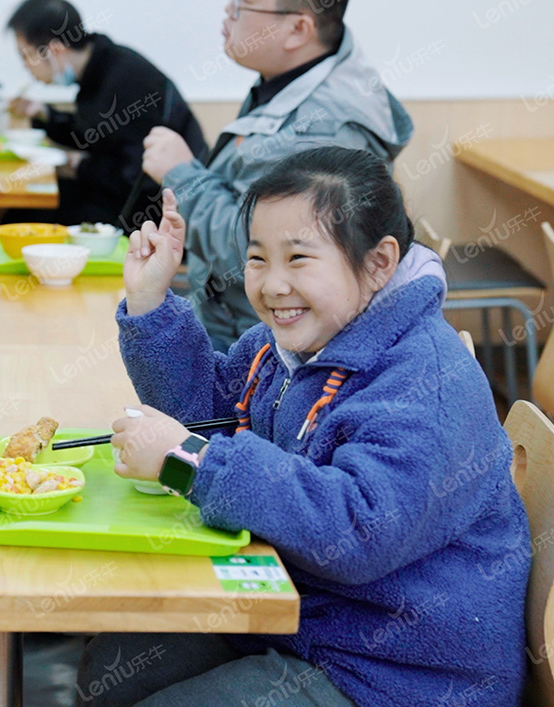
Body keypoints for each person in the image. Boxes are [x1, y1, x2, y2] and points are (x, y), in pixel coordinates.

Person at [76, 148, 528, 706]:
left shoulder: (424, 383)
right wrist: (149, 301)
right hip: (300, 612)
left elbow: (359, 529)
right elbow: (211, 411)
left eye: (299, 258)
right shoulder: (294, 341)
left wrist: (191, 459)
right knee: (110, 669)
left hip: (397, 670)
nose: (272, 285)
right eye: (258, 258)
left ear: (379, 261)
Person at [141, 0, 413, 351]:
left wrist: (180, 173)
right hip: (240, 321)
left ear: (298, 29)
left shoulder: (320, 125)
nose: (228, 14)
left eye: (242, 8)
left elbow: (251, 248)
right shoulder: (291, 81)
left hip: (268, 343)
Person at [5, 0, 205, 227]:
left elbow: (138, 177)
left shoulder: (126, 80)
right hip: (117, 195)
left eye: (26, 56)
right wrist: (45, 115)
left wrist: (81, 166)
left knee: (34, 217)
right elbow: (90, 134)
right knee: (24, 213)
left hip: (153, 212)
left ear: (55, 50)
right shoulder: (98, 69)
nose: (25, 66)